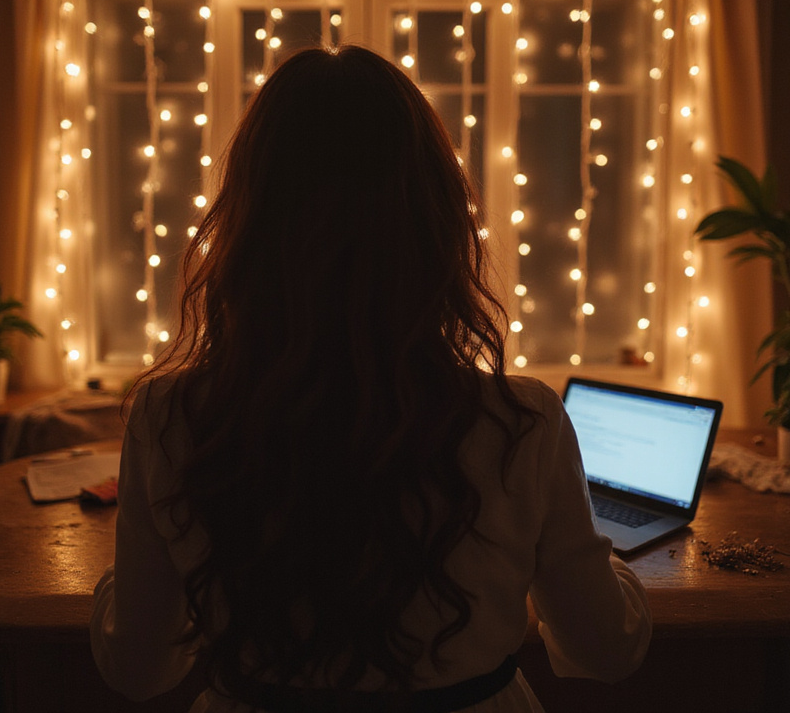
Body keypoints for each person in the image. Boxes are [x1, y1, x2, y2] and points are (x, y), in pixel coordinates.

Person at [90, 44, 651, 712]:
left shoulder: (170, 413)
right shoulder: (519, 420)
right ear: (437, 224)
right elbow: (605, 651)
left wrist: (120, 585)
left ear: (245, 226)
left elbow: (136, 669)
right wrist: (598, 555)